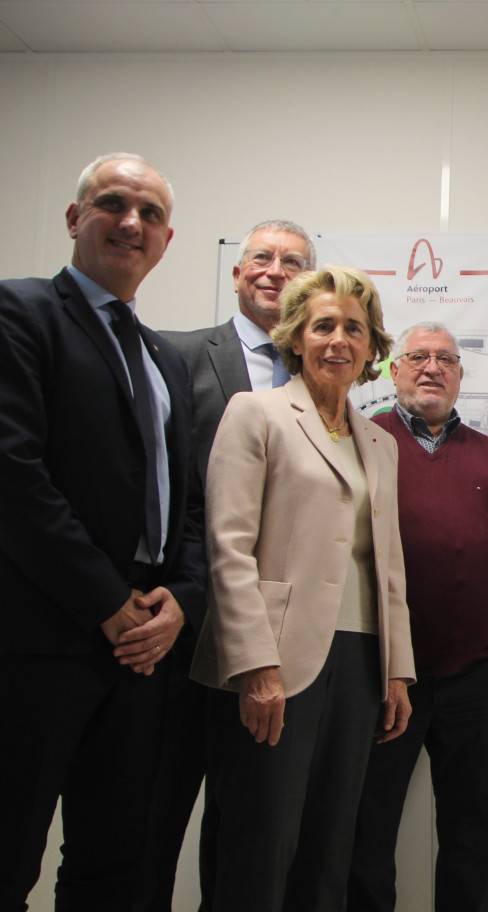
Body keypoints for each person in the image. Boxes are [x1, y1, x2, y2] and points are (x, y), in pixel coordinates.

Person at [0, 152, 205, 910]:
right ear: (74, 218)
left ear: (167, 239)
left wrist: (180, 596)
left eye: (149, 213)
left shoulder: (163, 359)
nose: (131, 222)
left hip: (144, 651)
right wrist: (104, 599)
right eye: (113, 204)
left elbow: (184, 503)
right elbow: (15, 474)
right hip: (41, 640)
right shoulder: (19, 313)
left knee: (114, 863)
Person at [190, 265, 415, 912]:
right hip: (276, 662)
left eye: (355, 328)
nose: (338, 340)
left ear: (372, 348)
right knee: (260, 846)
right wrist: (255, 665)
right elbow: (228, 548)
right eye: (324, 326)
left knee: (328, 852)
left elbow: (388, 565)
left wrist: (398, 670)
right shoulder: (255, 412)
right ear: (296, 337)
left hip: (360, 665)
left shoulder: (379, 441)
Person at [131, 220, 316, 911]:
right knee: (149, 823)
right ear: (237, 275)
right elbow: (156, 484)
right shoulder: (175, 356)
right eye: (260, 259)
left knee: (245, 839)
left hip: (273, 650)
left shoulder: (323, 379)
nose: (274, 270)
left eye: (292, 261)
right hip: (182, 631)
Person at [349, 321, 488, 912]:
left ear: (460, 376)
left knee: (475, 832)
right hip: (382, 677)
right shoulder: (363, 444)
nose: (432, 368)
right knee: (366, 832)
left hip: (478, 680)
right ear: (393, 369)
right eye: (418, 357)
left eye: (445, 360)